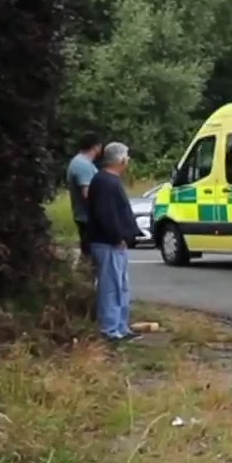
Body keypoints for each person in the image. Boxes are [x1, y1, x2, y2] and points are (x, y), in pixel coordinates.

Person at [87, 142, 140, 342]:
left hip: (114, 243)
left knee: (121, 285)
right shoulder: (105, 182)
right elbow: (106, 214)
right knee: (111, 286)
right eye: (126, 157)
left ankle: (120, 326)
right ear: (121, 159)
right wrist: (117, 237)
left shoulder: (107, 180)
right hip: (108, 243)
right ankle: (110, 329)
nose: (128, 161)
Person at [67, 134, 102, 262]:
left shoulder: (79, 162)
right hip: (87, 218)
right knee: (90, 256)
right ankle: (86, 280)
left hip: (84, 217)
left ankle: (86, 278)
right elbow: (87, 194)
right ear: (96, 146)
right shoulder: (83, 165)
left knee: (89, 254)